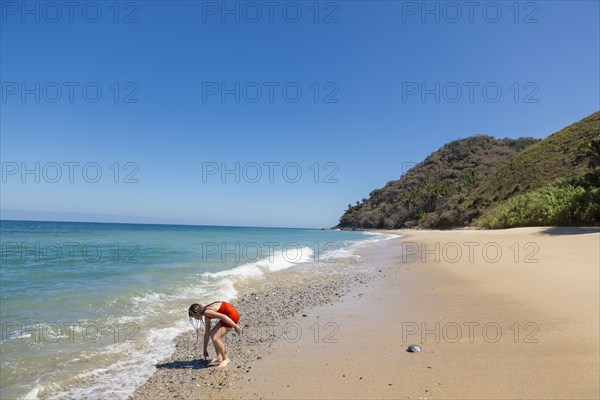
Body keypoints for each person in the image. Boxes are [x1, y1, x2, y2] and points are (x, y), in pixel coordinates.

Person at [188, 301, 242, 368]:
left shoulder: (207, 312)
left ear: (196, 313)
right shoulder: (206, 314)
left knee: (216, 338)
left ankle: (225, 359)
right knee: (212, 334)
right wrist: (204, 349)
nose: (194, 318)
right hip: (227, 316)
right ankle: (219, 357)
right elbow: (207, 333)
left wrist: (235, 326)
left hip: (231, 316)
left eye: (193, 317)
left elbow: (223, 316)